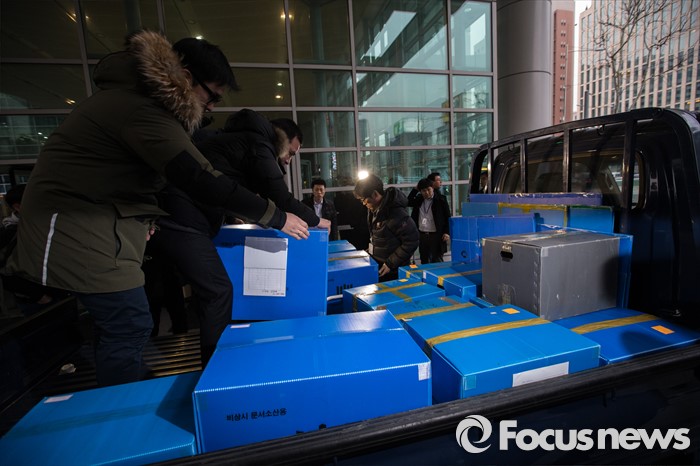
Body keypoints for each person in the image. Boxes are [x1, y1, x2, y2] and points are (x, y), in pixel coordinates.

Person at [5, 30, 309, 387]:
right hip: (74, 227)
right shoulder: (143, 111)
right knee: (130, 321)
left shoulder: (139, 104)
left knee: (121, 323)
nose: (212, 107)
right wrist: (278, 217)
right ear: (186, 77)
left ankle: (127, 391)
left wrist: (145, 216)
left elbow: (128, 177)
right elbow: (199, 177)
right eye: (212, 95)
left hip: (95, 225)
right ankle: (136, 404)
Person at [149, 109, 329, 365]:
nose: (289, 161)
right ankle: (217, 369)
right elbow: (281, 197)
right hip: (182, 218)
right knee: (218, 291)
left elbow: (230, 189)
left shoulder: (239, 140)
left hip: (176, 215)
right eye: (291, 152)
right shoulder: (259, 144)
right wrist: (317, 220)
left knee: (164, 293)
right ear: (281, 138)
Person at [354, 174, 419, 281]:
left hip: (393, 271)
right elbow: (382, 237)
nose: (363, 203)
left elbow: (412, 241)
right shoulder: (374, 210)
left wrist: (390, 263)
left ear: (375, 194)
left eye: (364, 199)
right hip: (380, 266)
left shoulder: (396, 213)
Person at [408, 178, 451, 264]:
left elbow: (447, 217)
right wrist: (415, 190)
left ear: (433, 188)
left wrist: (447, 232)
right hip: (422, 235)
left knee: (437, 260)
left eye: (428, 189)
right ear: (420, 191)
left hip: (436, 235)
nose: (427, 192)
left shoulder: (441, 199)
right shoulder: (419, 199)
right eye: (424, 191)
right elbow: (408, 202)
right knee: (424, 260)